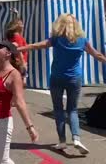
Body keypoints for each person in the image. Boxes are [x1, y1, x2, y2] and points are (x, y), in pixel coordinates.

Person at [18, 14, 106, 154]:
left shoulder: (56, 40)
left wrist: (19, 49)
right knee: (72, 110)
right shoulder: (82, 41)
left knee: (58, 109)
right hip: (74, 79)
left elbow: (37, 46)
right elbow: (97, 55)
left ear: (60, 24)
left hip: (57, 78)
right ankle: (76, 138)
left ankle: (62, 141)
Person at [0, 18, 38, 164]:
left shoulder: (13, 75)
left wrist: (30, 128)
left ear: (8, 53)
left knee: (1, 160)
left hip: (0, 122)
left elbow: (20, 102)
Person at [6, 16, 28, 85]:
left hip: (17, 63)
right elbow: (18, 51)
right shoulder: (17, 36)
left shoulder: (14, 35)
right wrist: (23, 66)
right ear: (17, 26)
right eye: (21, 24)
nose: (23, 26)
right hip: (19, 64)